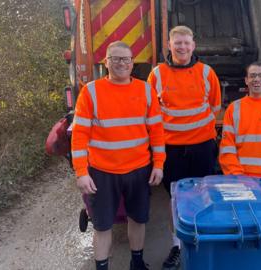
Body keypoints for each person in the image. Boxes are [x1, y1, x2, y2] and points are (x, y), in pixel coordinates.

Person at [71, 41, 165, 270]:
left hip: (139, 170)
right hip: (102, 172)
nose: (121, 63)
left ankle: (137, 263)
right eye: (115, 59)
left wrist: (158, 165)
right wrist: (82, 172)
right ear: (106, 62)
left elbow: (157, 132)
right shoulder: (91, 91)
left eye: (125, 59)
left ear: (133, 63)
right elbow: (79, 135)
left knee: (138, 219)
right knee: (102, 226)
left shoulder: (145, 90)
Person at [147, 25, 221, 270]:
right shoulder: (157, 74)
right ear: (169, 45)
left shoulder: (206, 72)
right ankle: (177, 246)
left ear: (193, 45)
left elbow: (214, 107)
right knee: (175, 199)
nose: (182, 47)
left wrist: (195, 130)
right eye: (177, 43)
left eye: (186, 43)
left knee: (202, 196)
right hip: (172, 149)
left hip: (202, 146)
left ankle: (201, 242)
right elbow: (151, 111)